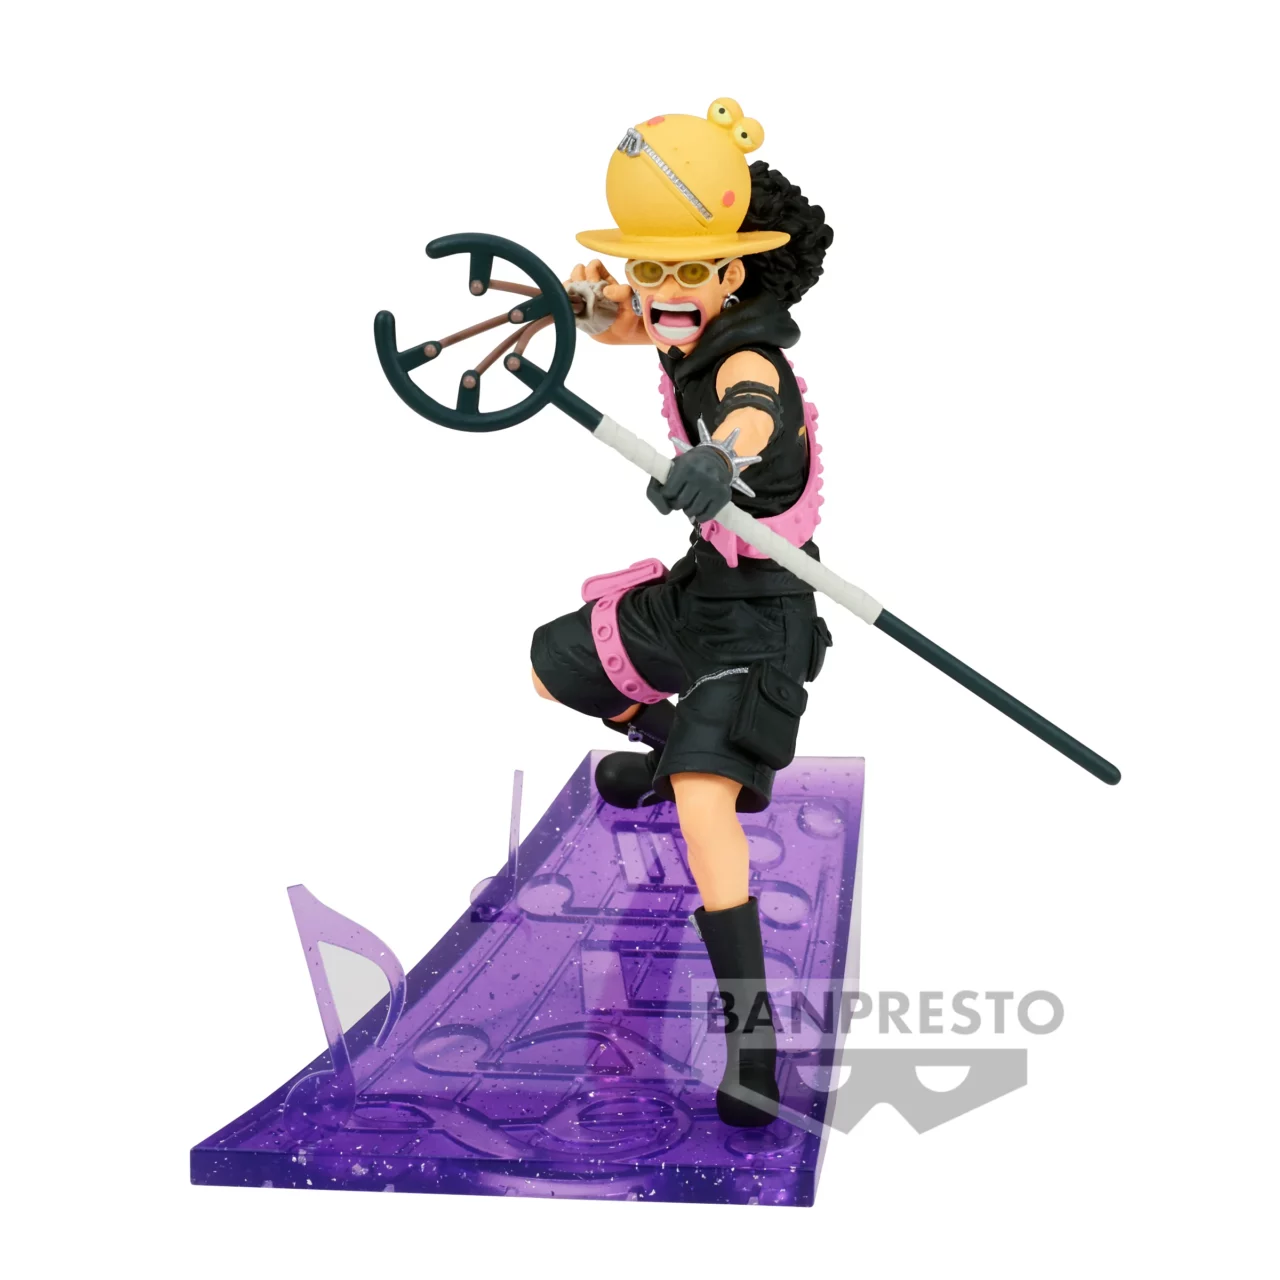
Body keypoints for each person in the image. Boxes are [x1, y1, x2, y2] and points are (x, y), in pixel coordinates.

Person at [529, 99, 834, 1127]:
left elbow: (749, 410)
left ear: (730, 275)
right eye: (649, 268)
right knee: (555, 667)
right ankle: (671, 744)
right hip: (702, 588)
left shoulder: (748, 359)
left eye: (688, 270)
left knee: (707, 813)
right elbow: (619, 323)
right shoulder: (677, 327)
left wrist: (717, 454)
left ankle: (753, 1039)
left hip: (764, 614)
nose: (664, 289)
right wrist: (570, 309)